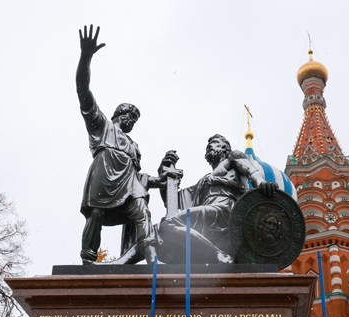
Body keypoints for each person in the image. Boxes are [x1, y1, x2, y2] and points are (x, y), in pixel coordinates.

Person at [76, 25, 158, 264]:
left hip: (130, 184)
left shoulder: (134, 145)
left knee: (142, 212)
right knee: (97, 214)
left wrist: (161, 179)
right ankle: (89, 260)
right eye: (129, 116)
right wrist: (86, 57)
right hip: (104, 176)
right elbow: (83, 90)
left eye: (134, 119)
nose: (131, 121)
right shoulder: (101, 125)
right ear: (118, 114)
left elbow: (140, 175)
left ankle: (151, 254)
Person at [159, 134, 276, 264]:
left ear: (225, 148)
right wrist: (165, 177)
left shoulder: (233, 158)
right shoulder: (203, 181)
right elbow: (172, 201)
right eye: (208, 144)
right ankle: (218, 254)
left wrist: (262, 183)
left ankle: (218, 255)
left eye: (215, 142)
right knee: (165, 228)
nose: (209, 145)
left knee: (169, 224)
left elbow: (251, 171)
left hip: (226, 210)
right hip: (208, 214)